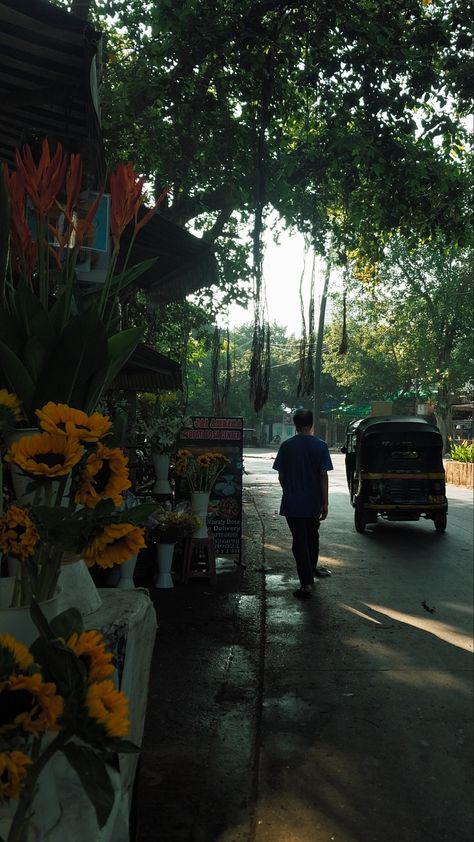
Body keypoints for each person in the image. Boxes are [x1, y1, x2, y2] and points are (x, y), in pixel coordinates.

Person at [272, 408, 333, 600]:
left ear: (295, 425)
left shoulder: (287, 446)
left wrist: (289, 490)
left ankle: (306, 582)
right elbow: (323, 475)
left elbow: (281, 476)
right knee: (312, 538)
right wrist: (325, 502)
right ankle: (310, 575)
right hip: (313, 502)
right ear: (312, 424)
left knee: (299, 540)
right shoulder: (321, 446)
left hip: (293, 502)